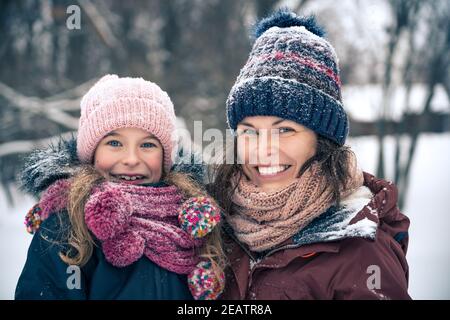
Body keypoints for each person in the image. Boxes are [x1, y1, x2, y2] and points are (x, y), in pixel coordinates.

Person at [211, 9, 411, 299]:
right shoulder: (212, 229)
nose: (263, 149)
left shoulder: (362, 252)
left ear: (322, 141)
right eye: (250, 131)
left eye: (285, 131)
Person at [16, 75, 225, 300]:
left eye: (147, 145)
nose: (131, 159)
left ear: (166, 157)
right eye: (114, 143)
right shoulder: (66, 225)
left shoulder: (194, 220)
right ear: (92, 153)